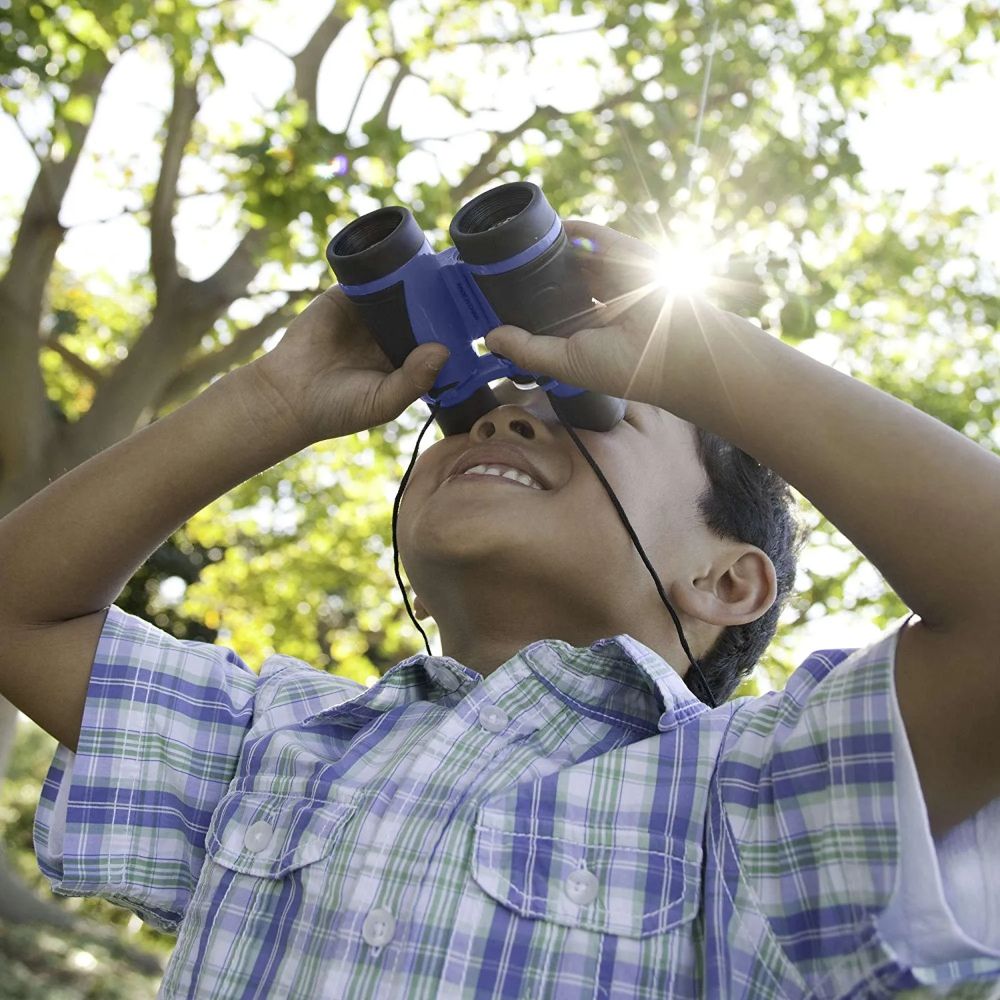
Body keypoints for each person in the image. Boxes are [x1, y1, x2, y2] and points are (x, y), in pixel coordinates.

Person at [1, 217, 998, 998]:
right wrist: (268, 400)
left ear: (726, 582)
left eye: (589, 404)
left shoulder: (755, 798)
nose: (507, 409)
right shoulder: (281, 735)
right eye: (474, 408)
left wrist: (709, 358)